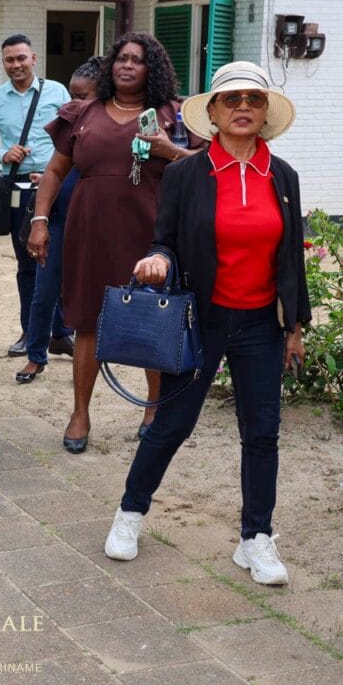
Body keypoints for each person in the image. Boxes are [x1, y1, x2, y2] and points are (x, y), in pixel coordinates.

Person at [102, 61, 309, 586]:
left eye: (254, 100)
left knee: (262, 433)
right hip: (201, 319)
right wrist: (159, 261)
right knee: (171, 424)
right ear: (212, 113)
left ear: (265, 114)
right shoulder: (185, 173)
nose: (244, 107)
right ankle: (130, 513)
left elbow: (291, 259)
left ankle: (255, 540)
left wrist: (295, 327)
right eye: (232, 99)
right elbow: (164, 239)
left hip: (262, 322)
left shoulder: (283, 176)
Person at [29, 33, 203, 454]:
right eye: (121, 59)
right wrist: (39, 220)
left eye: (138, 61)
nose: (127, 66)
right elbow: (54, 172)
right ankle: (80, 413)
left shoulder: (172, 115)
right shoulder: (84, 112)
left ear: (152, 69)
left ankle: (153, 409)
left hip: (151, 230)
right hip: (90, 231)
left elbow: (210, 163)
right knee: (86, 320)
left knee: (152, 315)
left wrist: (168, 149)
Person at [0, 34, 74, 358]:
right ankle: (30, 331)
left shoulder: (57, 92)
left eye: (21, 58)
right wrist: (4, 154)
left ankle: (60, 333)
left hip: (54, 188)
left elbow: (73, 137)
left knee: (57, 262)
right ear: (4, 63)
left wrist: (53, 170)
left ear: (33, 58)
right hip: (16, 190)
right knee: (27, 265)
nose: (16, 65)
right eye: (9, 60)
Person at [14, 58, 100, 386]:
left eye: (84, 95)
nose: (75, 102)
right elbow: (58, 169)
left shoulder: (110, 129)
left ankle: (91, 359)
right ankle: (36, 355)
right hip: (59, 221)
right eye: (72, 95)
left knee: (87, 296)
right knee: (44, 291)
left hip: (93, 227)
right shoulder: (68, 125)